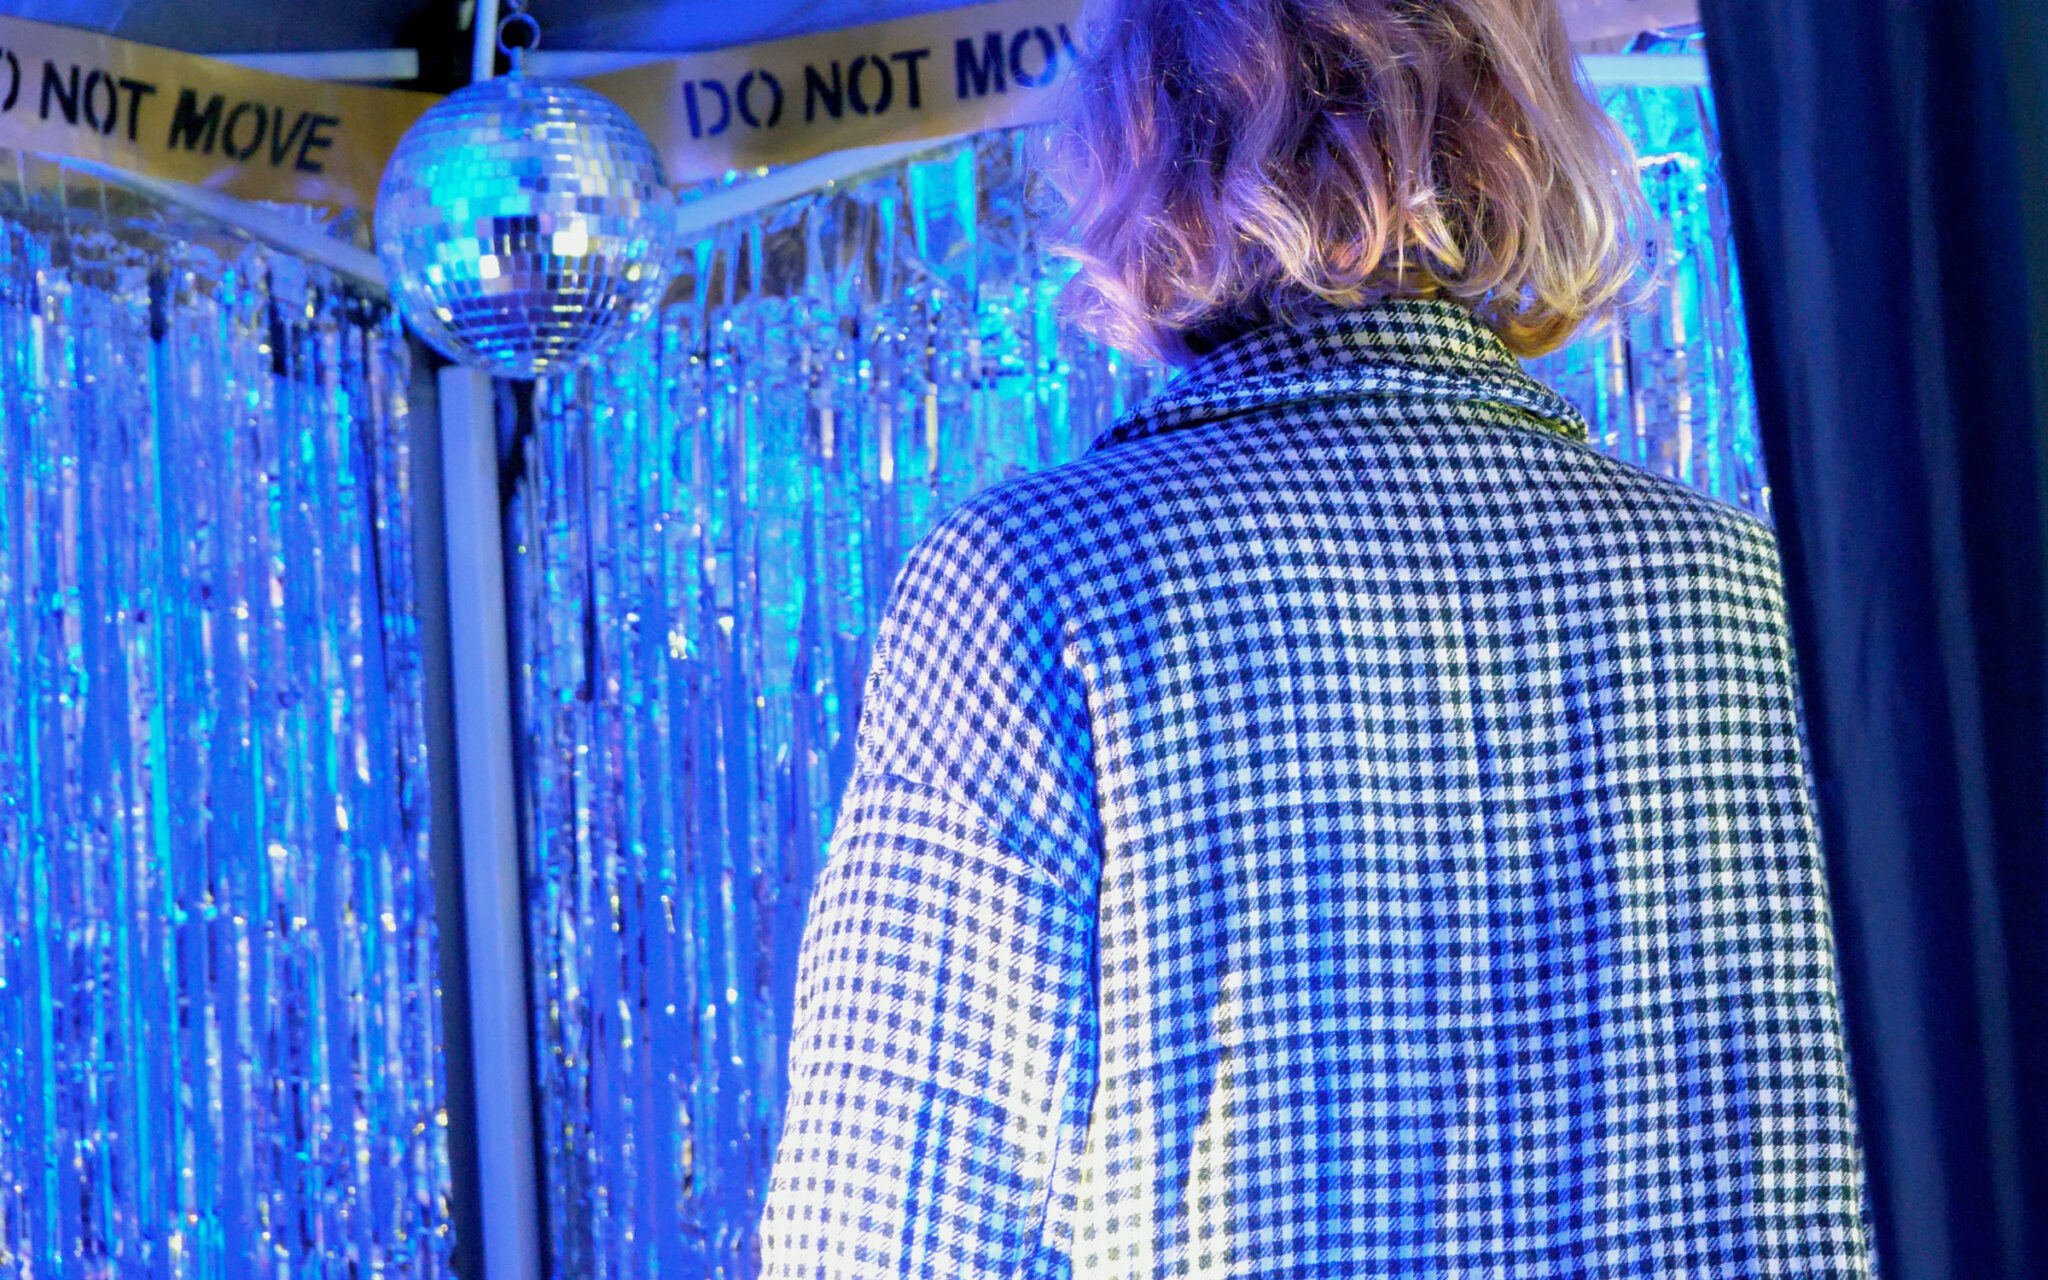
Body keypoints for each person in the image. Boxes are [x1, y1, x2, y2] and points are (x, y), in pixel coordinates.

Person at [759, 0, 1874, 1273]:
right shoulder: (1768, 599)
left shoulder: (1035, 590)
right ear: (1531, 128)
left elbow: (890, 1230)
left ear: (1139, 141)